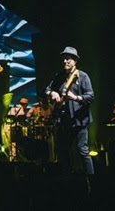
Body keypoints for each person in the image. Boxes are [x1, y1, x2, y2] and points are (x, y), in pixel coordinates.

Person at [44, 46, 95, 175]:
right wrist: (52, 93)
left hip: (79, 120)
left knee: (82, 150)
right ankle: (68, 180)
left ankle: (92, 181)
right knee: (63, 151)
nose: (65, 61)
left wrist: (76, 97)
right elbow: (47, 89)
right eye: (64, 59)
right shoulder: (59, 76)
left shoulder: (82, 76)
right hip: (64, 120)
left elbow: (90, 96)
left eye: (68, 59)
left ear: (75, 61)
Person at [6, 97, 30, 161]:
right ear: (25, 104)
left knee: (12, 143)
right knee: (19, 143)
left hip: (9, 127)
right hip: (17, 128)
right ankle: (19, 158)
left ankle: (12, 158)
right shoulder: (21, 109)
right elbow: (22, 121)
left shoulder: (13, 108)